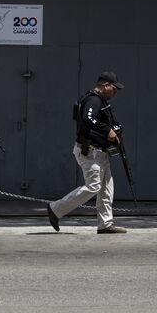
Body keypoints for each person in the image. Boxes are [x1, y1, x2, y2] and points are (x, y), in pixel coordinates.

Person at [47, 71, 128, 234]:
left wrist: (114, 130)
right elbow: (87, 118)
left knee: (106, 187)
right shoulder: (93, 99)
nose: (115, 92)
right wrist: (107, 131)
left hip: (100, 152)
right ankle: (55, 209)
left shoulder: (99, 100)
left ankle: (105, 224)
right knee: (93, 186)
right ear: (105, 85)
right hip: (91, 152)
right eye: (114, 88)